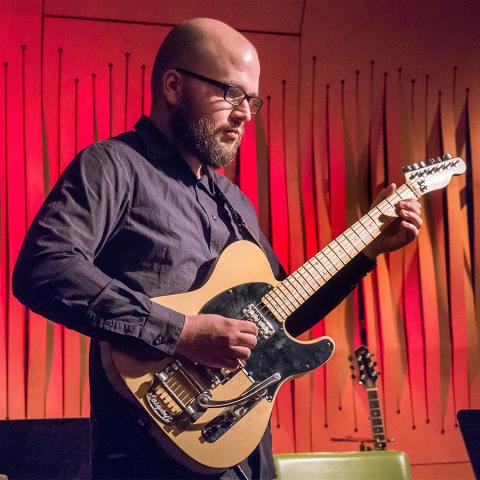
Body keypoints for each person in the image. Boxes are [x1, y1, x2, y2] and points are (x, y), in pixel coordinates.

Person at [12, 18, 422, 480]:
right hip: (150, 457)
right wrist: (182, 331)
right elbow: (45, 268)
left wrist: (367, 250)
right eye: (232, 93)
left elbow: (282, 312)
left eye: (253, 100)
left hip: (247, 456)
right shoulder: (113, 166)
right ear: (173, 86)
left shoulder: (235, 202)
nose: (246, 113)